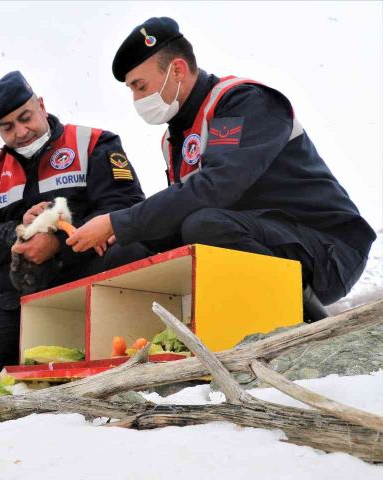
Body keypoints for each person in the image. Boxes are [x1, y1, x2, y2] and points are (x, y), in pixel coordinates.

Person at [68, 17, 375, 321]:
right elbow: (182, 203)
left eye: (140, 86)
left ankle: (306, 325)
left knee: (202, 226)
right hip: (262, 235)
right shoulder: (174, 139)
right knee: (130, 245)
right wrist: (120, 232)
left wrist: (118, 221)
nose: (137, 99)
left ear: (177, 70)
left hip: (329, 247)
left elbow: (218, 185)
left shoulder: (243, 101)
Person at [0, 71, 150, 380]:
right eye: (7, 127)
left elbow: (126, 205)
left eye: (25, 117)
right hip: (19, 296)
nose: (21, 131)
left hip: (86, 272)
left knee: (135, 246)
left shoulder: (93, 143)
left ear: (40, 105)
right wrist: (17, 232)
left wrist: (57, 241)